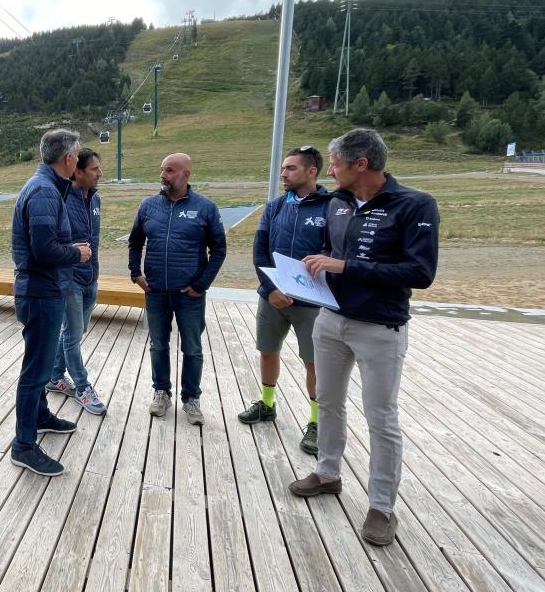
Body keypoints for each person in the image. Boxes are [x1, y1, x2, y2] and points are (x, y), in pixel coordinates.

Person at [288, 128, 439, 547]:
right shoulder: (338, 203)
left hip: (380, 328)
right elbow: (327, 253)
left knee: (381, 417)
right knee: (329, 402)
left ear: (361, 164)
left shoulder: (415, 205)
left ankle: (382, 506)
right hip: (331, 320)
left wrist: (344, 267)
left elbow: (420, 273)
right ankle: (328, 473)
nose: (329, 170)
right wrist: (307, 273)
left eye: (334, 163)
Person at [9, 129, 93, 476]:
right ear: (70, 159)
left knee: (41, 368)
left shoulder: (47, 186)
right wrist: (77, 252)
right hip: (41, 293)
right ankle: (23, 446)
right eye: (77, 154)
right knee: (35, 372)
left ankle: (40, 417)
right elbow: (44, 249)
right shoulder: (44, 191)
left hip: (45, 291)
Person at [240, 146, 332, 455]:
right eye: (283, 168)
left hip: (311, 303)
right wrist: (269, 290)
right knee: (267, 351)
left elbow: (335, 253)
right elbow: (260, 250)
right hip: (273, 297)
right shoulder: (275, 207)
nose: (283, 174)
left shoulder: (331, 207)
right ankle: (267, 404)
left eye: (291, 168)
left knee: (314, 362)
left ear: (311, 171)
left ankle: (317, 423)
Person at [128, 153, 227, 425]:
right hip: (156, 292)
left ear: (186, 174)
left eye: (170, 170)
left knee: (192, 348)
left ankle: (191, 398)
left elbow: (219, 250)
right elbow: (135, 241)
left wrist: (201, 285)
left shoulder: (205, 208)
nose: (163, 175)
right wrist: (135, 273)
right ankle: (161, 392)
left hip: (189, 295)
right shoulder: (148, 206)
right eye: (162, 170)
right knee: (158, 345)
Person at [46, 148, 107, 415]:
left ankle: (55, 376)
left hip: (90, 277)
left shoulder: (96, 201)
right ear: (78, 171)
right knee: (72, 336)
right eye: (94, 169)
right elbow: (52, 243)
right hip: (68, 280)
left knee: (75, 332)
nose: (99, 173)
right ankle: (82, 387)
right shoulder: (59, 200)